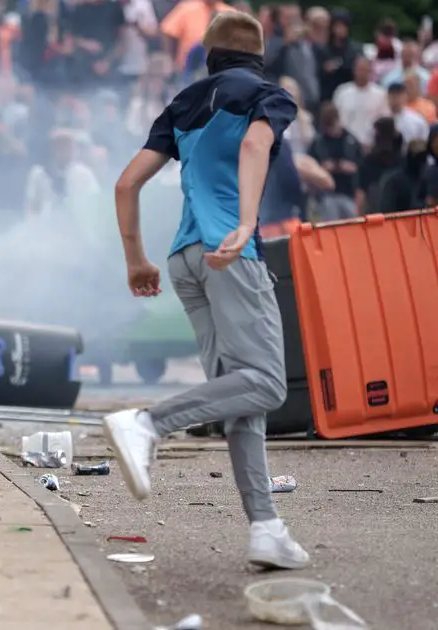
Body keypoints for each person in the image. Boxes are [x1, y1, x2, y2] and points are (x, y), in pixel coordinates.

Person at [109, 10, 311, 570]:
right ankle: (146, 424)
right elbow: (252, 149)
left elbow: (127, 183)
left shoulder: (183, 103)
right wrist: (247, 224)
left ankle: (266, 527)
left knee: (241, 394)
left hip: (183, 259)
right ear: (258, 56)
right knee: (268, 383)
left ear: (210, 55)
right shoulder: (271, 96)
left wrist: (136, 260)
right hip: (229, 252)